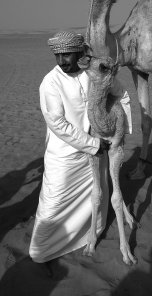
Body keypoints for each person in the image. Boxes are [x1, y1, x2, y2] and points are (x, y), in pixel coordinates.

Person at [29, 31, 132, 268]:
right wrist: (93, 145)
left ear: (80, 54)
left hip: (98, 149)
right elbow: (57, 123)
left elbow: (121, 93)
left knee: (97, 196)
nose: (62, 60)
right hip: (65, 154)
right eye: (58, 55)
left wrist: (119, 132)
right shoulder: (51, 82)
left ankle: (92, 235)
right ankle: (43, 251)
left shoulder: (93, 74)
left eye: (67, 54)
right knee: (53, 205)